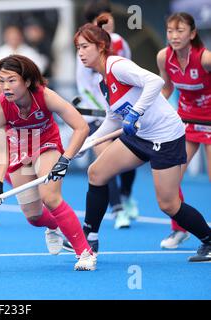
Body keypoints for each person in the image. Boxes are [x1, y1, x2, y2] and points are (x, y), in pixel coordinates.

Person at [76, 15, 211, 262]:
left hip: (165, 137)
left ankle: (209, 240)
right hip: (141, 136)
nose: (81, 53)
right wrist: (87, 144)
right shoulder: (103, 80)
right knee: (96, 173)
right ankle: (90, 238)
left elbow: (155, 81)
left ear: (101, 47)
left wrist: (136, 112)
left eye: (85, 47)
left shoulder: (117, 65)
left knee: (168, 204)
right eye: (78, 49)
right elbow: (113, 118)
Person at [0, 54, 96, 271]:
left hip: (47, 144)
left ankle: (85, 253)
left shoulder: (46, 96)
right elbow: (1, 150)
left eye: (11, 80)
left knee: (50, 197)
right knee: (34, 217)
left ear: (26, 81)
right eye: (1, 81)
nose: (5, 86)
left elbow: (81, 127)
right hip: (19, 150)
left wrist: (65, 159)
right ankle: (55, 225)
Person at [76, 1, 138, 230]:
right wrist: (103, 111)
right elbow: (83, 87)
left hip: (123, 111)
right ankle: (118, 209)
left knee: (129, 161)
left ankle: (126, 194)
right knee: (106, 161)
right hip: (99, 115)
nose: (108, 22)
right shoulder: (85, 49)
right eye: (102, 19)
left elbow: (131, 74)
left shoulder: (121, 43)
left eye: (109, 17)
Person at [157, 12, 211, 249]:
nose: (174, 36)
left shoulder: (206, 58)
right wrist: (147, 109)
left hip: (210, 123)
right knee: (171, 179)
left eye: (180, 31)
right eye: (170, 31)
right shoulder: (163, 57)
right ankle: (180, 230)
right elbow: (166, 88)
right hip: (185, 122)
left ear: (192, 33)